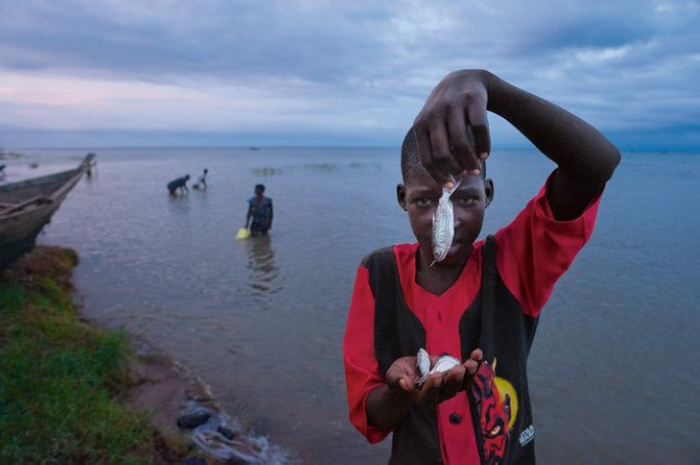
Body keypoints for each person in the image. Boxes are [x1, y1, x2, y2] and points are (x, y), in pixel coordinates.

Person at [342, 69, 620, 464]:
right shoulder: (378, 275)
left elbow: (597, 164)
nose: (447, 220)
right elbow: (369, 416)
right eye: (425, 201)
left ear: (487, 194)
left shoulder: (516, 262)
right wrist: (402, 391)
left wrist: (489, 86)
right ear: (402, 198)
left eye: (465, 199)